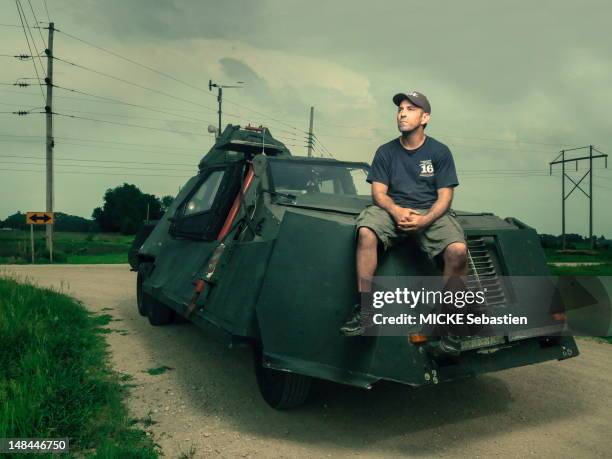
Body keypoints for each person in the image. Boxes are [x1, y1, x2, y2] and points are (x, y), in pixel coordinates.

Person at [340, 91, 468, 336]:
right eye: (400, 109)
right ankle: (367, 311)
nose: (402, 113)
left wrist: (425, 220)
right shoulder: (385, 151)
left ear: (425, 117)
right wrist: (396, 210)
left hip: (430, 212)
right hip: (392, 209)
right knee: (366, 231)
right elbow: (378, 193)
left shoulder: (440, 152)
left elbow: (445, 197)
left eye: (410, 109)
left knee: (458, 251)